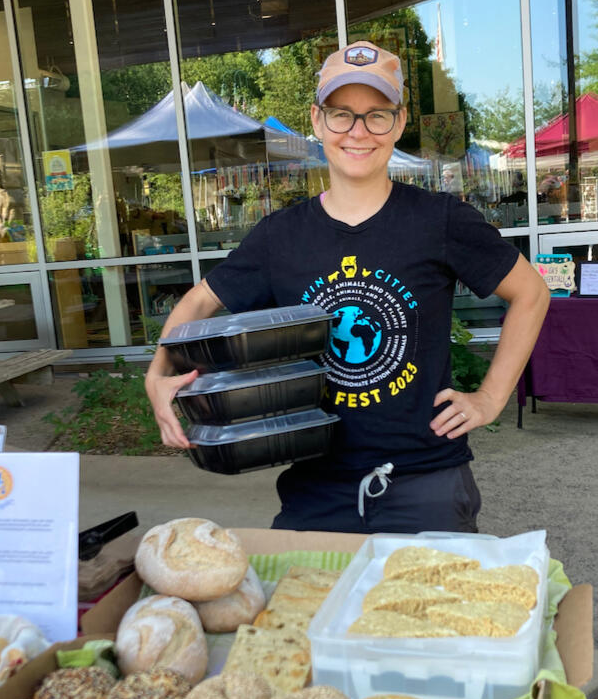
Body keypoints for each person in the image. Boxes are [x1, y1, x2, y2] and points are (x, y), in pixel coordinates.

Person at [145, 41, 550, 535]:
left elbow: (530, 292)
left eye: (376, 115)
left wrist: (489, 398)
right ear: (317, 121)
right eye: (342, 115)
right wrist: (159, 373)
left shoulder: (439, 221)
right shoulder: (280, 236)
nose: (358, 132)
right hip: (317, 484)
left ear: (399, 124)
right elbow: (200, 300)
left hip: (426, 482)